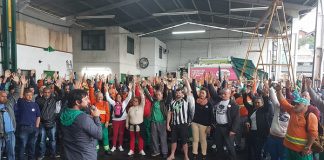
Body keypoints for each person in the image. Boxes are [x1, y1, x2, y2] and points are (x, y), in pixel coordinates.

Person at [275, 83, 318, 160]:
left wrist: (308, 147)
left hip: (301, 153)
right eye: (295, 103)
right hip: (288, 149)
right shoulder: (293, 111)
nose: (295, 105)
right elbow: (283, 101)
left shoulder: (311, 116)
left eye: (298, 104)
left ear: (305, 105)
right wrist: (278, 91)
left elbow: (313, 134)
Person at [60, 89, 102, 160]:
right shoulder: (83, 118)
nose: (88, 101)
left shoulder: (63, 113)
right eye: (86, 99)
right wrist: (96, 117)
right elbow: (99, 134)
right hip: (85, 156)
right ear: (77, 102)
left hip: (69, 155)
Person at [208, 81, 240, 160]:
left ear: (229, 94)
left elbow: (236, 119)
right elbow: (213, 93)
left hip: (227, 128)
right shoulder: (218, 100)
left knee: (230, 146)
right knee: (219, 145)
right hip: (218, 127)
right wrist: (209, 83)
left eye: (225, 94)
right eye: (222, 93)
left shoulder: (234, 105)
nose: (223, 95)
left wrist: (233, 130)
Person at [167, 77, 195, 160]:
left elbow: (189, 92)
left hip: (183, 124)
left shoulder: (186, 100)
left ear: (182, 94)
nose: (178, 94)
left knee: (184, 141)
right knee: (173, 141)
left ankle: (186, 156)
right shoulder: (172, 102)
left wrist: (186, 81)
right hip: (174, 124)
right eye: (177, 93)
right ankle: (172, 155)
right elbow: (169, 113)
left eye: (180, 93)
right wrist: (168, 124)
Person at [243, 84, 273, 160]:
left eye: (258, 102)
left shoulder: (264, 110)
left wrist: (265, 95)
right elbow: (245, 102)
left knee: (258, 151)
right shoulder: (252, 109)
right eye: (255, 102)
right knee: (250, 148)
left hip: (260, 133)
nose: (256, 104)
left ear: (262, 103)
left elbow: (266, 104)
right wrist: (245, 94)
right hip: (251, 132)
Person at [16, 75, 41, 160]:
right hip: (23, 128)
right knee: (22, 146)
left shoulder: (35, 104)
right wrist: (23, 85)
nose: (30, 96)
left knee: (32, 146)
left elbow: (38, 116)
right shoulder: (21, 102)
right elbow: (20, 95)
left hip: (33, 128)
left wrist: (37, 127)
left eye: (31, 95)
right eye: (27, 95)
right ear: (24, 96)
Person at [144, 83, 171, 159]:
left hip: (162, 123)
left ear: (162, 95)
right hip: (153, 122)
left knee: (163, 138)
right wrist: (145, 88)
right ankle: (156, 151)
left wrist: (167, 87)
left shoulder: (164, 102)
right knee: (154, 137)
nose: (157, 96)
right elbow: (149, 96)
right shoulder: (154, 101)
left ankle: (164, 152)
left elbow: (168, 96)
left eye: (159, 95)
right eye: (157, 95)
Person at [105, 82, 133, 152]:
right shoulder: (113, 103)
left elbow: (129, 97)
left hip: (122, 120)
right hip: (115, 121)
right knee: (115, 134)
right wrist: (106, 91)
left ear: (121, 97)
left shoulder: (124, 103)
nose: (119, 98)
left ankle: (120, 145)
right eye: (117, 97)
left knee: (121, 133)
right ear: (116, 97)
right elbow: (108, 98)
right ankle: (114, 146)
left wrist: (130, 89)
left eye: (120, 97)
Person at [36, 85, 62, 159]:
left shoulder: (54, 99)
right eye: (45, 92)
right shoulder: (38, 100)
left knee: (53, 140)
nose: (47, 94)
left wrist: (57, 86)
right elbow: (37, 113)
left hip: (52, 123)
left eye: (48, 92)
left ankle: (53, 155)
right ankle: (41, 154)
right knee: (41, 140)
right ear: (42, 92)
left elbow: (61, 94)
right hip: (42, 123)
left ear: (51, 93)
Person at [191, 79, 213, 160]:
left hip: (204, 125)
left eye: (203, 93)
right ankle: (194, 154)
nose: (201, 94)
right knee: (195, 139)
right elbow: (193, 90)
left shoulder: (209, 103)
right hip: (195, 123)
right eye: (200, 92)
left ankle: (204, 154)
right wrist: (193, 80)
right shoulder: (196, 99)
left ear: (206, 94)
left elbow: (211, 115)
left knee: (203, 140)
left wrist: (209, 126)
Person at [89, 82, 112, 155]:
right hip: (95, 123)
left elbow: (108, 113)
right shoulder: (94, 102)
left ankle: (107, 149)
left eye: (101, 97)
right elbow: (91, 95)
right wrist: (91, 87)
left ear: (103, 97)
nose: (100, 98)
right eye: (98, 97)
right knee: (95, 136)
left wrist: (107, 121)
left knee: (105, 136)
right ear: (96, 97)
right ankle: (96, 148)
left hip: (103, 123)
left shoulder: (106, 103)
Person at [126, 86, 146, 156]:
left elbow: (143, 99)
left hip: (139, 126)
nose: (134, 102)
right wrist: (127, 124)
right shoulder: (130, 108)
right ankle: (132, 150)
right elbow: (128, 117)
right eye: (133, 101)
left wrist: (141, 93)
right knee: (132, 139)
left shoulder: (141, 106)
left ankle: (141, 150)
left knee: (140, 139)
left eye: (136, 101)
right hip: (131, 126)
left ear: (138, 102)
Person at [0, 87, 18, 160]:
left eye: (6, 96)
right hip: (0, 133)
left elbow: (17, 93)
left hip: (10, 133)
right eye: (2, 96)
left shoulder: (9, 103)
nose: (5, 98)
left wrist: (16, 83)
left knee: (11, 153)